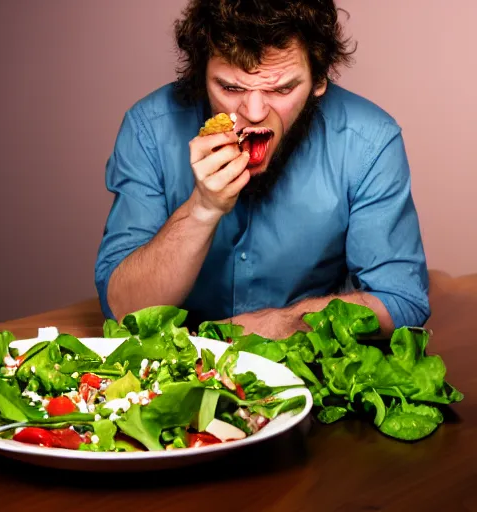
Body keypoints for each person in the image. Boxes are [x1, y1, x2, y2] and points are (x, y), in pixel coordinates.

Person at [94, 0, 430, 339]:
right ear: (200, 77)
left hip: (305, 364)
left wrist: (279, 324)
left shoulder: (370, 141)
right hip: (177, 364)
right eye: (230, 87)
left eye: (282, 88)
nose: (254, 112)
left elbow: (401, 301)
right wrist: (202, 209)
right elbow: (124, 312)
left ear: (319, 80)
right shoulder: (148, 129)